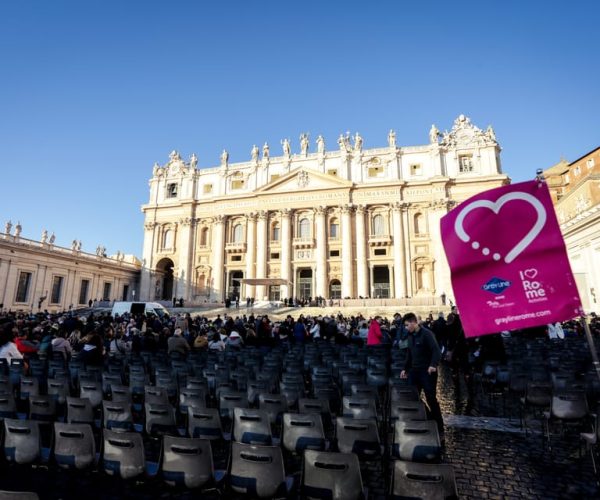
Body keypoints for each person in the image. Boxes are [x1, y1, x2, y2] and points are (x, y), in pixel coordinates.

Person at [401, 312, 444, 435]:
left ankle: (439, 426)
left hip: (427, 372)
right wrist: (405, 368)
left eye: (407, 325)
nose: (406, 327)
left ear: (414, 322)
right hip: (414, 371)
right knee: (413, 397)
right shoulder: (410, 335)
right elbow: (409, 353)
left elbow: (436, 350)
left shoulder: (427, 334)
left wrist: (433, 365)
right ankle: (426, 418)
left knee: (431, 399)